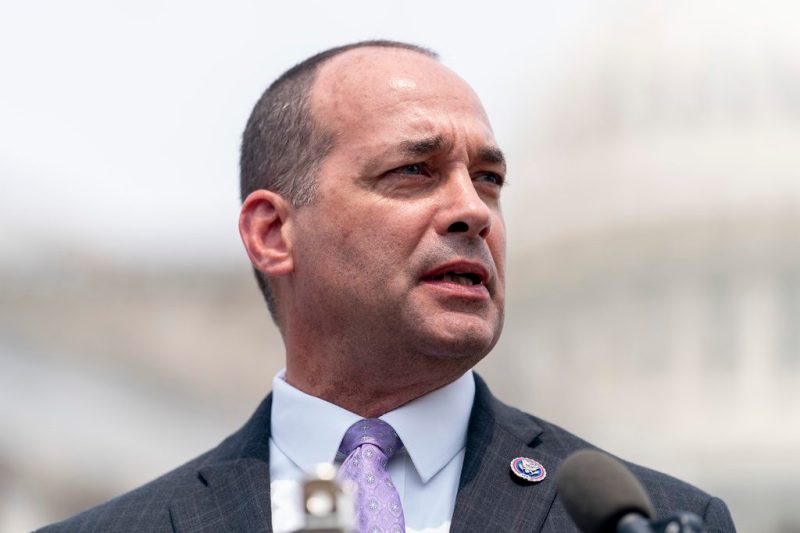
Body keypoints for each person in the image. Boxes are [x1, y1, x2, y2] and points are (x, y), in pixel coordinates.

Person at [39, 40, 736, 532]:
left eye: (489, 179)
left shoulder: (649, 519)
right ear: (273, 234)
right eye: (414, 171)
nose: (472, 209)